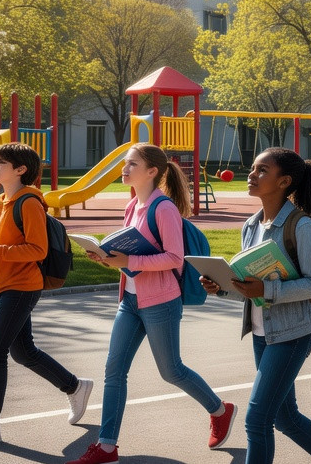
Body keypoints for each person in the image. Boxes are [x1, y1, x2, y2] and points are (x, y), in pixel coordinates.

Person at [67, 144, 236, 464]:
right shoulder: (133, 206)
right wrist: (108, 258)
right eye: (125, 163)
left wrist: (127, 258)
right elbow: (133, 255)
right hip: (130, 300)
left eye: (132, 164)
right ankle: (106, 447)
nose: (124, 168)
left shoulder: (164, 209)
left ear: (152, 172)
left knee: (171, 371)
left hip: (161, 302)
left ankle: (220, 409)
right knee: (114, 370)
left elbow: (174, 258)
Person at [198, 148, 311, 464]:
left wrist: (266, 289)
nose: (251, 175)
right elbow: (248, 287)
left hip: (294, 331)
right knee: (284, 417)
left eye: (261, 170)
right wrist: (222, 288)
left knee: (257, 419)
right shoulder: (251, 225)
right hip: (262, 331)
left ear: (284, 181)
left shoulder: (301, 226)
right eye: (253, 168)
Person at [0, 142, 94, 451]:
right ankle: (75, 386)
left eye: (0, 162)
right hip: (5, 283)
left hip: (24, 285)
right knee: (23, 352)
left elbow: (36, 250)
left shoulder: (28, 202)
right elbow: (0, 244)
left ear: (20, 169)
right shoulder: (3, 199)